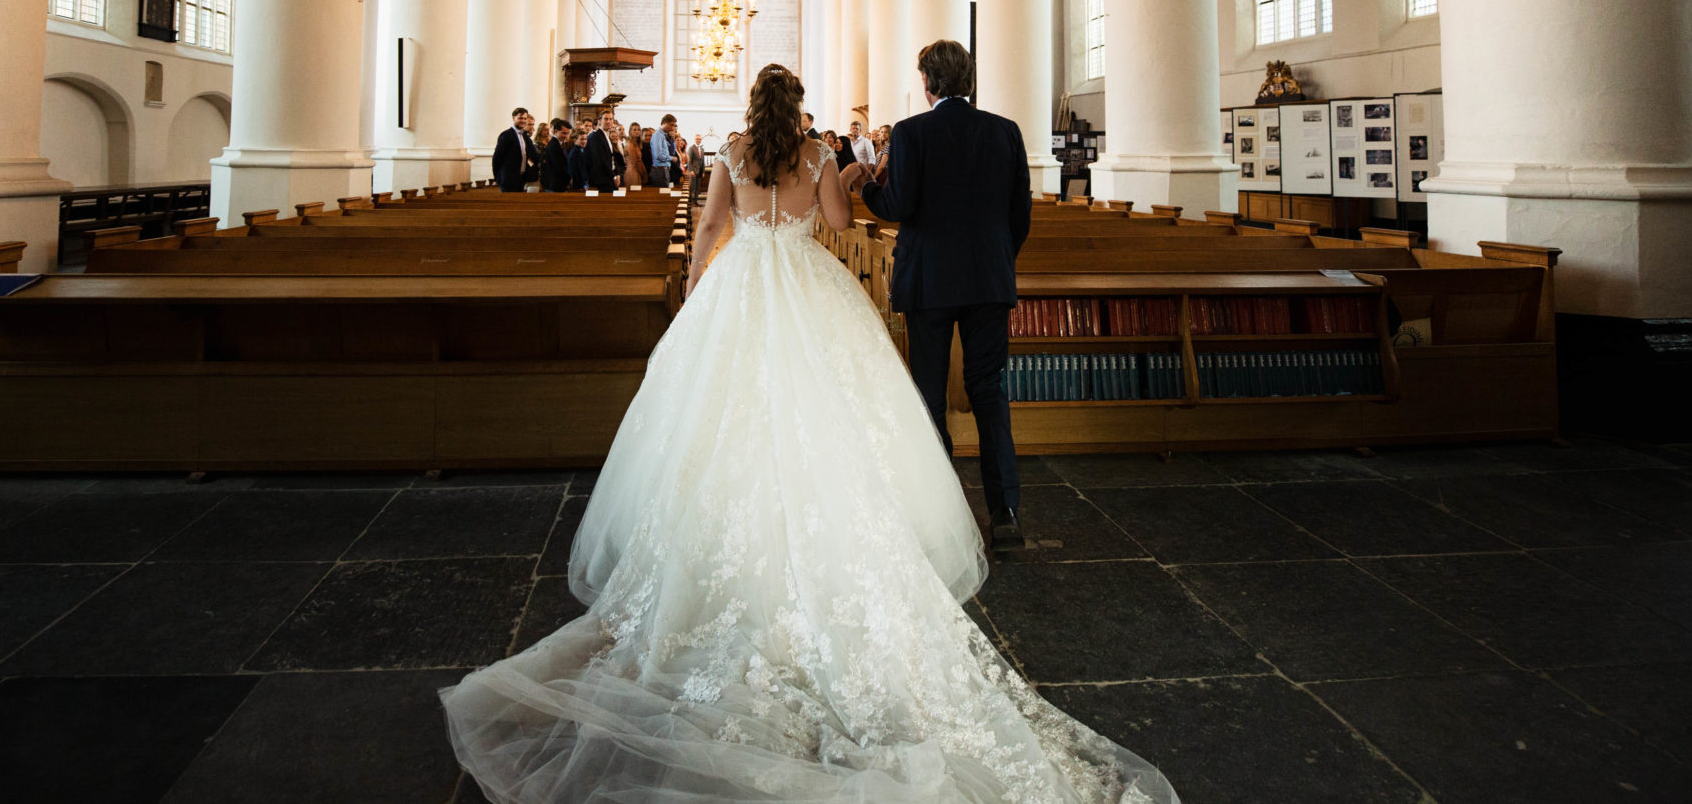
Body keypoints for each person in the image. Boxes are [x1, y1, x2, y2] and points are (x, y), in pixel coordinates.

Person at [441, 63, 1176, 804]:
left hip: (741, 288)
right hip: (805, 284)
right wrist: (846, 181)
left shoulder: (729, 152)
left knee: (723, 421)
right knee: (830, 418)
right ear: (795, 108)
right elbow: (839, 225)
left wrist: (698, 281)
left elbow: (710, 226)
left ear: (751, 106)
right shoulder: (819, 154)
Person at [863, 40, 1031, 554]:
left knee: (930, 394)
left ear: (928, 82)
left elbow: (897, 204)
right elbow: (1018, 212)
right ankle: (1004, 515)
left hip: (930, 282)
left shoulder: (912, 132)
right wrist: (999, 259)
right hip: (987, 281)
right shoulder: (1005, 131)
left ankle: (940, 513)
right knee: (988, 391)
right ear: (969, 80)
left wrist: (868, 185)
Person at [492, 108, 538, 193]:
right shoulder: (506, 135)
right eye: (520, 118)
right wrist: (496, 177)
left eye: (524, 118)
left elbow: (533, 155)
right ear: (513, 118)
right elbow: (497, 158)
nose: (523, 121)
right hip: (508, 178)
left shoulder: (525, 136)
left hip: (521, 178)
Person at [582, 118, 615, 194]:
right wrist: (613, 176)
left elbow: (611, 157)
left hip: (606, 177)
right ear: (600, 121)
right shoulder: (595, 136)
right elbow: (600, 160)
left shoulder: (606, 135)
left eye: (611, 119)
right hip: (600, 179)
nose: (609, 122)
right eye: (606, 119)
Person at [539, 119, 573, 193]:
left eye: (568, 133)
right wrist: (569, 178)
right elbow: (559, 166)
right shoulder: (554, 145)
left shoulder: (561, 143)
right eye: (564, 133)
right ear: (556, 131)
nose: (566, 136)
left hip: (559, 183)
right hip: (554, 184)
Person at [647, 113, 679, 187]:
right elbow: (658, 156)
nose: (672, 127)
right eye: (671, 125)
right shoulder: (657, 135)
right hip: (660, 170)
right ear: (664, 123)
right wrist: (672, 158)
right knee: (663, 195)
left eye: (674, 125)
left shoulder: (663, 135)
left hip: (663, 169)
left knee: (666, 193)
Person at [622, 122, 648, 186]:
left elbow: (640, 161)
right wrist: (643, 175)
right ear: (630, 131)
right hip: (632, 172)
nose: (637, 131)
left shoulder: (636, 144)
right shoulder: (630, 144)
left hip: (637, 171)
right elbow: (635, 163)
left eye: (639, 130)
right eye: (634, 130)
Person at [567, 119, 590, 190]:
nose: (584, 141)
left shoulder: (581, 150)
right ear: (575, 140)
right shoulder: (575, 152)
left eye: (585, 139)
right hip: (578, 185)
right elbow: (574, 171)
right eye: (581, 139)